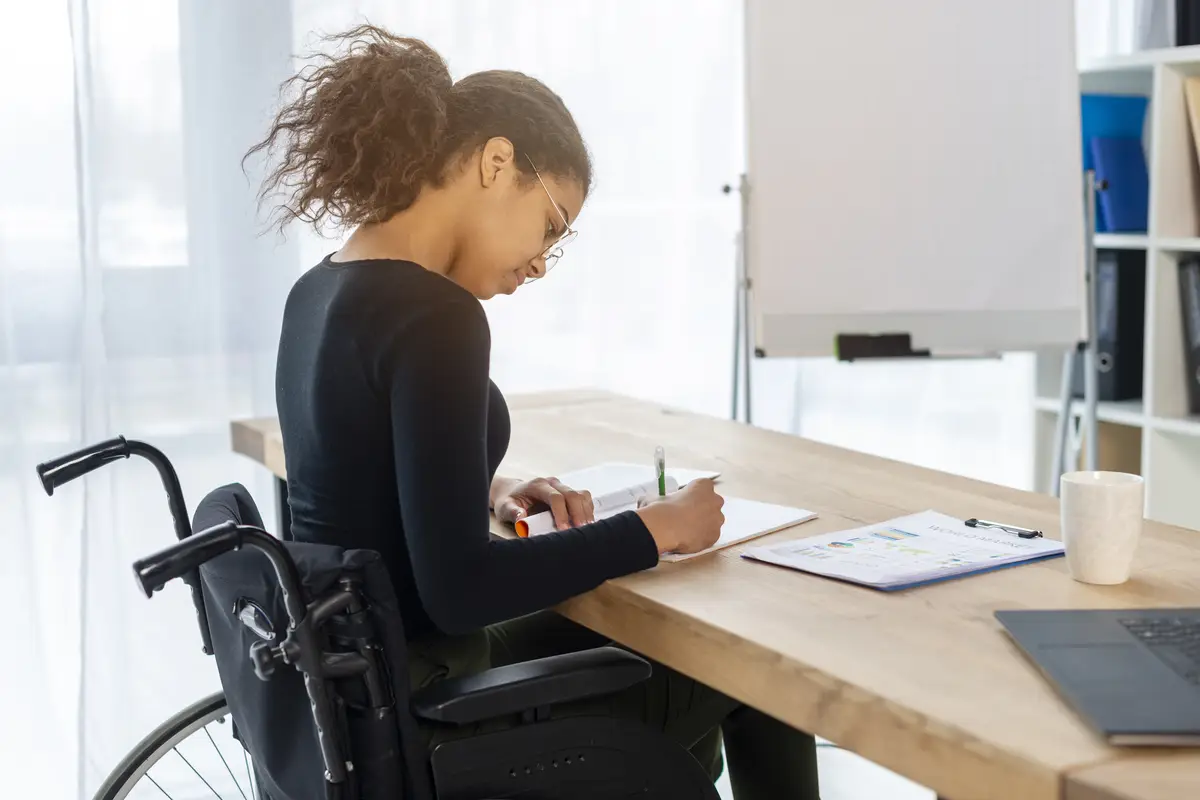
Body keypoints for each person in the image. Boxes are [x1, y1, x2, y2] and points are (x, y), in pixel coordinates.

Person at [251, 23, 820, 799]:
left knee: (681, 724)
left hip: (357, 705)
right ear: (496, 163)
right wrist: (657, 529)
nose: (542, 263)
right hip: (435, 716)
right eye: (551, 225)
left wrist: (485, 489)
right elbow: (461, 590)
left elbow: (358, 478)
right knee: (757, 670)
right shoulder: (437, 316)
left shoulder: (318, 291)